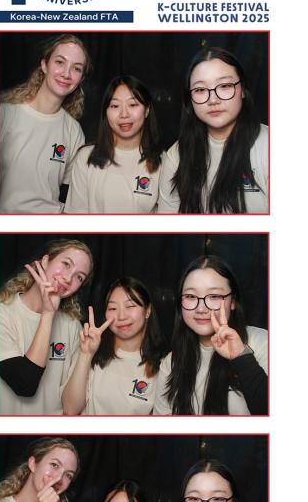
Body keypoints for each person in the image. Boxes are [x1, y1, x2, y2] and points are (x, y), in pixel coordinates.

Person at [157, 47, 268, 214]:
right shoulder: (177, 155)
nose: (213, 100)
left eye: (224, 85)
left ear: (243, 90)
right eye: (200, 90)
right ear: (189, 99)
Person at [153, 255, 268, 415]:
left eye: (214, 296)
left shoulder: (263, 342)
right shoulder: (171, 362)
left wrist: (242, 358)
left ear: (233, 301)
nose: (201, 309)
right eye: (191, 296)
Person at [0, 239, 93, 415]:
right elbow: (24, 385)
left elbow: (71, 409)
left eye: (79, 277)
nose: (68, 278)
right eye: (66, 264)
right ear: (46, 261)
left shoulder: (72, 326)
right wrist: (48, 314)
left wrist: (87, 354)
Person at [0, 34, 89, 214]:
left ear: (81, 79)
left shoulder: (74, 131)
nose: (66, 73)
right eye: (60, 62)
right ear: (44, 65)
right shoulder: (4, 114)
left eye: (76, 68)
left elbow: (72, 197)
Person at [62, 277, 166, 415]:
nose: (121, 316)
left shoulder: (164, 365)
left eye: (130, 306)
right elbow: (70, 410)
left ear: (147, 311)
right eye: (112, 308)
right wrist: (86, 355)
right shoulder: (90, 351)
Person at [66, 76, 163, 214]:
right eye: (115, 106)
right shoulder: (86, 157)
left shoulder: (163, 162)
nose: (124, 114)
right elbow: (75, 218)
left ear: (147, 110)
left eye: (132, 105)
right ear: (106, 112)